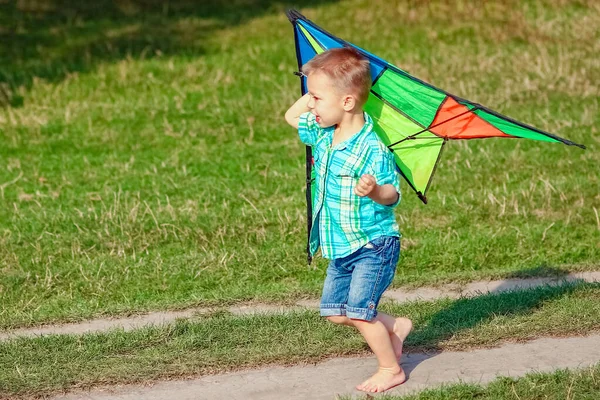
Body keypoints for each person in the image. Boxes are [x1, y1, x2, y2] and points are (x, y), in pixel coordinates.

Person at [284, 47, 413, 393]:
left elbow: (393, 195)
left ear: (347, 103)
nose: (309, 105)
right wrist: (310, 79)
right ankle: (396, 325)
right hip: (341, 244)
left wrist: (374, 191)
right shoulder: (324, 134)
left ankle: (391, 369)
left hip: (374, 243)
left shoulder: (372, 148)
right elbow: (290, 117)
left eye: (315, 98)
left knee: (358, 312)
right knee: (335, 311)